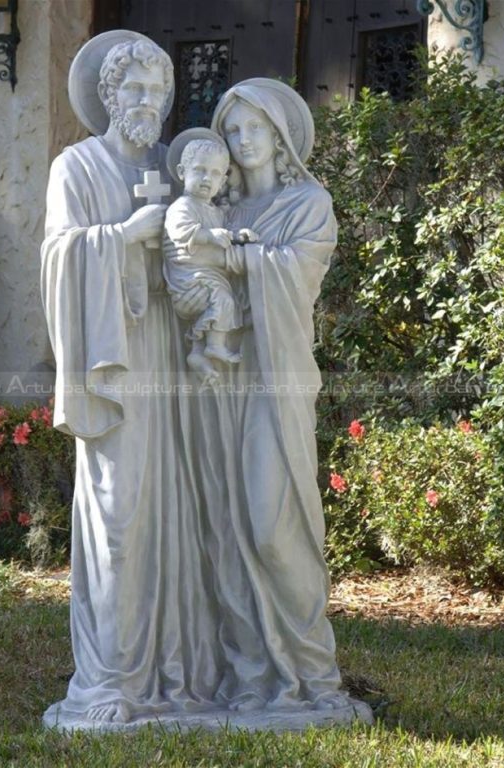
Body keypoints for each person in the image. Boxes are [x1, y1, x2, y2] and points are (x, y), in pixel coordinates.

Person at [40, 31, 218, 728]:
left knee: (178, 510)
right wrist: (125, 235)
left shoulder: (177, 168)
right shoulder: (75, 167)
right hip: (114, 366)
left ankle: (177, 670)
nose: (148, 101)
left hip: (171, 359)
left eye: (157, 90)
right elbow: (58, 256)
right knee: (119, 513)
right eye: (134, 89)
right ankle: (110, 676)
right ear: (108, 95)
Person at [176, 79, 370, 719]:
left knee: (270, 522)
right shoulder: (217, 212)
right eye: (232, 131)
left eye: (255, 128)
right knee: (225, 527)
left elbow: (295, 276)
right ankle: (251, 675)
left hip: (274, 378)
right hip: (217, 383)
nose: (243, 140)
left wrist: (232, 261)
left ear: (281, 135)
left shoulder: (309, 204)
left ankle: (311, 675)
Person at [163, 131, 257, 375]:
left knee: (222, 300)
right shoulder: (181, 207)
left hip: (206, 274)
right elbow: (180, 233)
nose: (207, 178)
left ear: (222, 181)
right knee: (222, 300)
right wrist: (210, 236)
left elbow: (225, 233)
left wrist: (238, 235)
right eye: (200, 170)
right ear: (182, 172)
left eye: (215, 174)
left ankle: (197, 352)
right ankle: (215, 346)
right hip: (187, 278)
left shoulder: (214, 211)